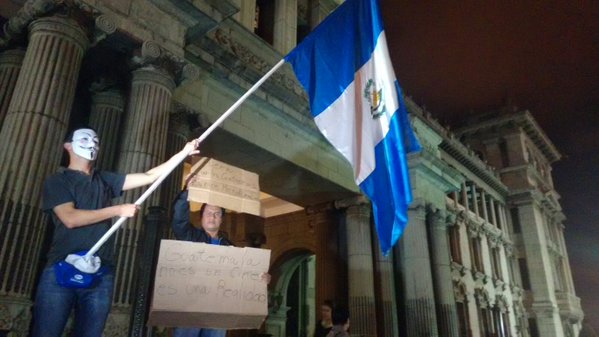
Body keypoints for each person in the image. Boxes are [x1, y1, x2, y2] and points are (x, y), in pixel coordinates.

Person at [32, 127, 199, 337]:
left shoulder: (104, 179)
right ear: (68, 146)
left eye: (96, 140)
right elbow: (70, 218)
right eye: (85, 139)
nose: (93, 144)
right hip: (60, 268)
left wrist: (183, 152)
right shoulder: (58, 181)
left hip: (101, 272)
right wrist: (118, 210)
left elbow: (150, 176)